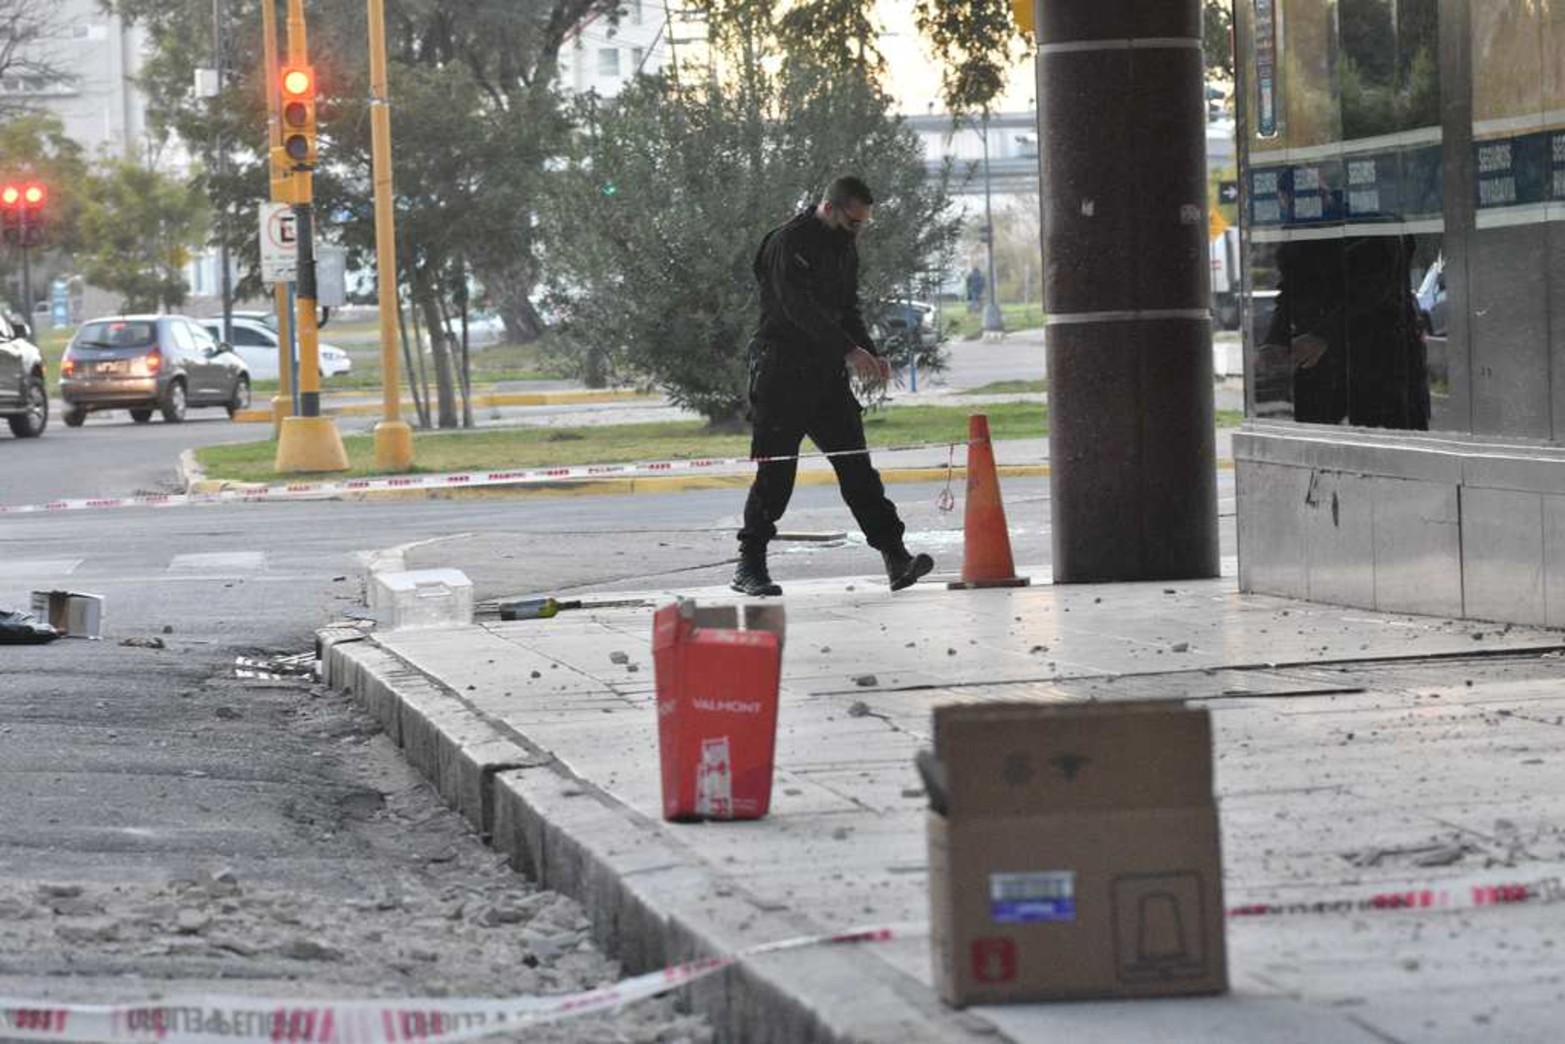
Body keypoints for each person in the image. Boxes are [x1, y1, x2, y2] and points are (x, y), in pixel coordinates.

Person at [732, 176, 934, 598]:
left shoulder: (844, 247)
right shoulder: (787, 243)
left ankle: (895, 556)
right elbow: (797, 307)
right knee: (776, 474)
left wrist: (870, 352)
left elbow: (847, 309)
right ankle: (749, 566)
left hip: (826, 377)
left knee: (857, 467)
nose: (858, 231)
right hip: (781, 372)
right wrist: (849, 352)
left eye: (863, 224)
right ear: (830, 207)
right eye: (853, 222)